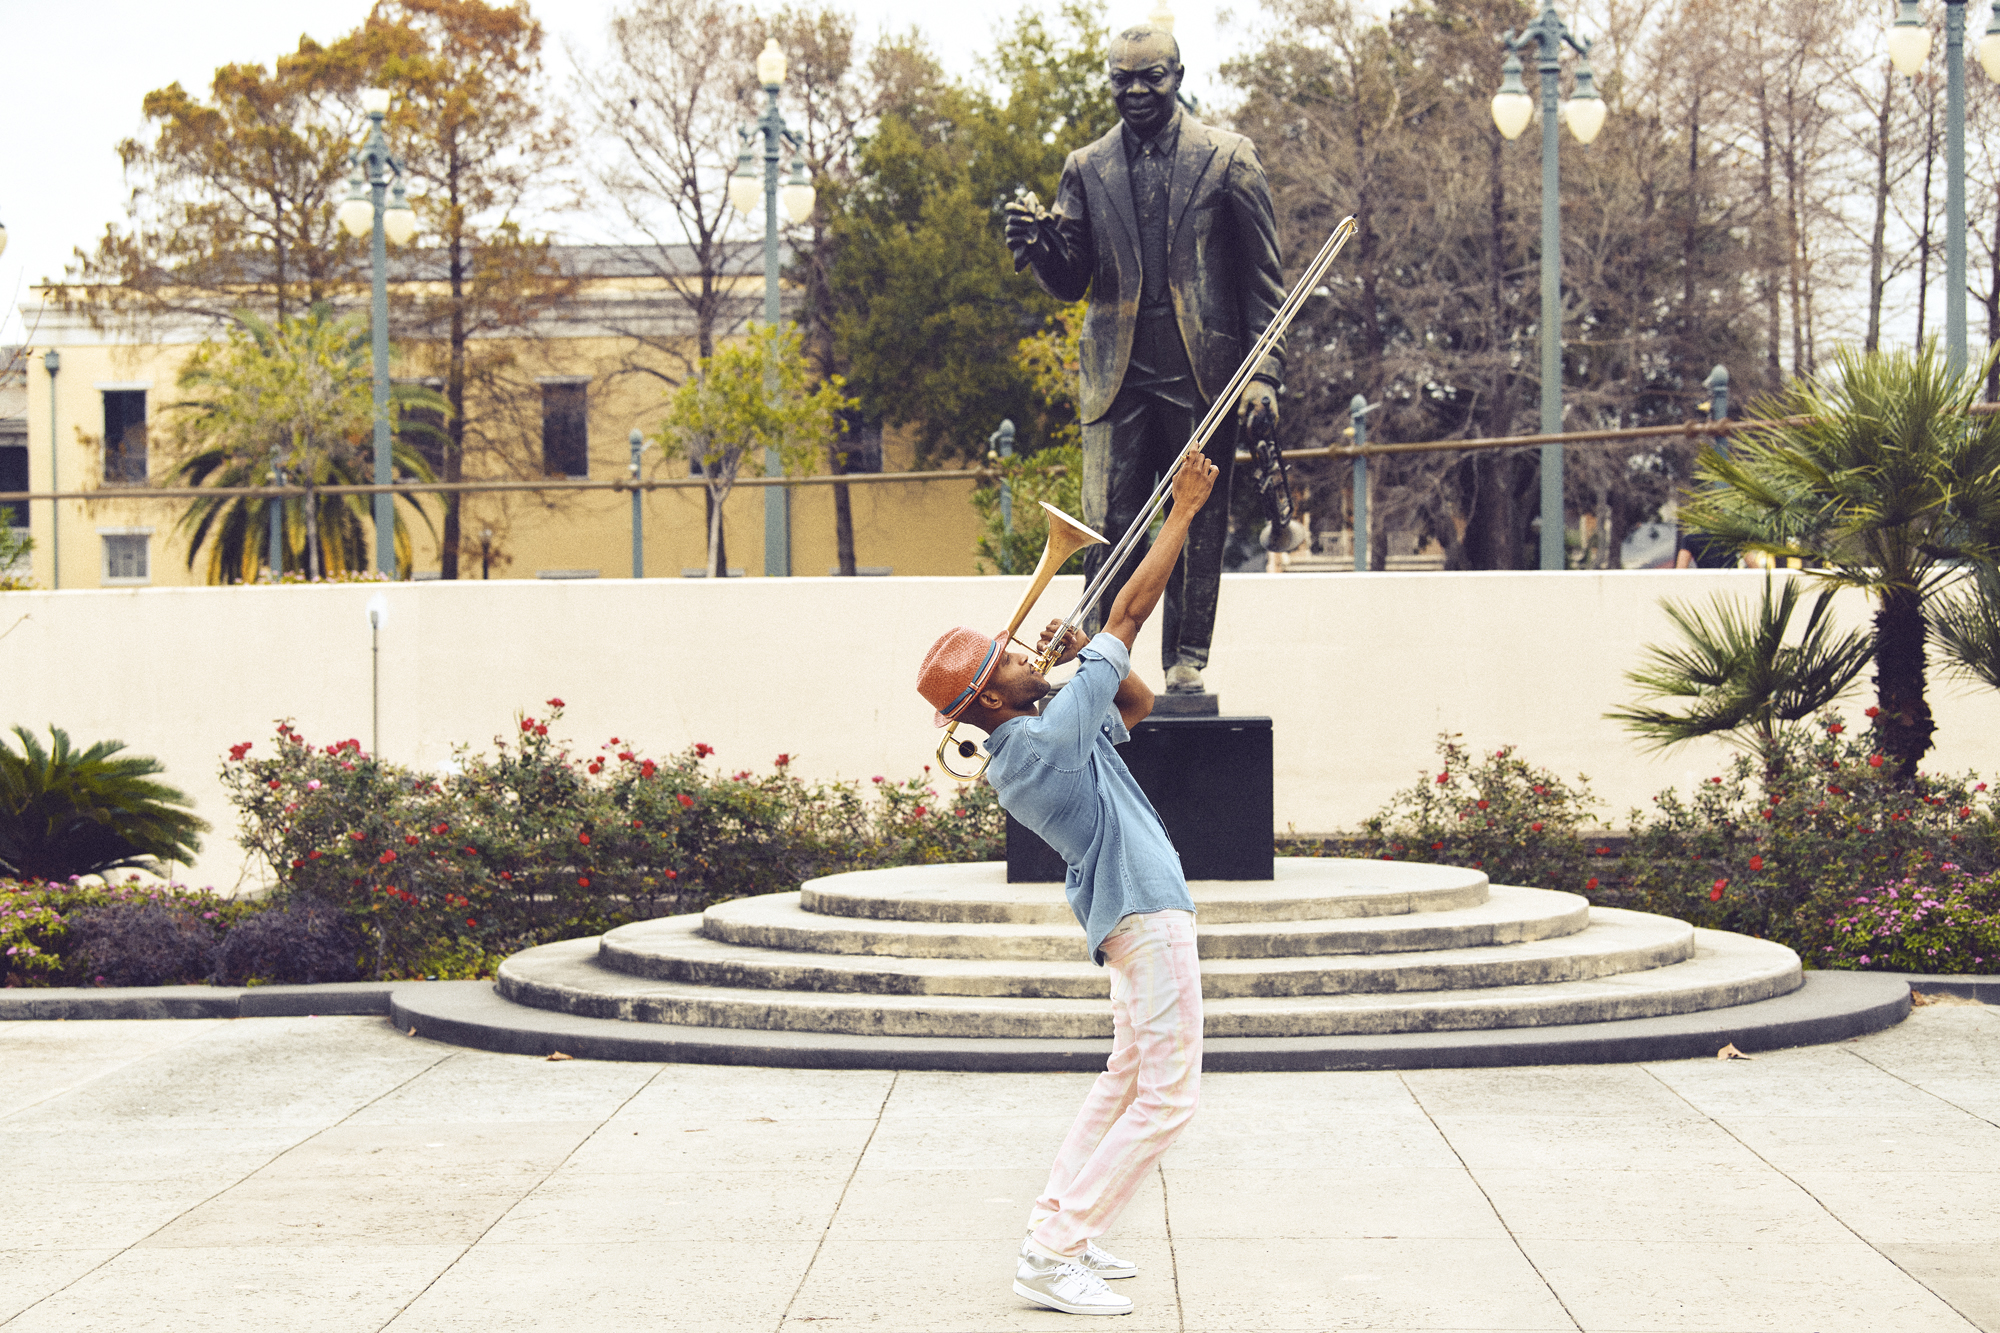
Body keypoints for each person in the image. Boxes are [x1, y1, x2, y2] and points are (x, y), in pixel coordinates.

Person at [915, 451, 1218, 1318]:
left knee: (1128, 1078)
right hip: (1147, 913)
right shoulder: (1045, 737)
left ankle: (1059, 1225)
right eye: (1006, 660)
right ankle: (1052, 1253)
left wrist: (1087, 654)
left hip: (1130, 915)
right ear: (994, 702)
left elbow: (1139, 704)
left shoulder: (1031, 740)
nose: (1019, 654)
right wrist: (1183, 511)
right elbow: (1134, 605)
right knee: (1167, 1097)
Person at [1002, 25, 1285, 698]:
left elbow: (1265, 286)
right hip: (1115, 370)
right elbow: (1073, 278)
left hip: (1204, 368)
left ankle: (1186, 659)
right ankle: (1102, 661)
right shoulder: (1086, 165)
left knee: (1195, 517)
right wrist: (1039, 249)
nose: (1134, 90)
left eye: (1149, 76)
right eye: (1121, 78)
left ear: (1179, 75)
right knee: (1107, 520)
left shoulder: (1228, 158)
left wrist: (1265, 373)